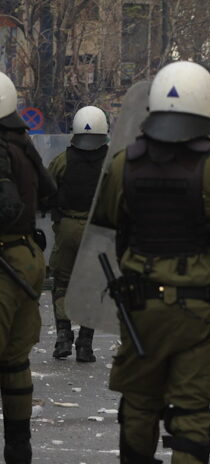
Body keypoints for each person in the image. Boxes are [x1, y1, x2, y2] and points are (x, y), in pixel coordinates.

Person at [91, 61, 210, 463]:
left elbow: (107, 219)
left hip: (139, 306)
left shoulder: (125, 164)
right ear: (208, 108)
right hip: (196, 310)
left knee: (139, 405)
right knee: (191, 412)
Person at [0, 72, 57, 463]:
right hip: (26, 256)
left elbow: (5, 208)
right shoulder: (21, 142)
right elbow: (51, 194)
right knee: (15, 360)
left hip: (4, 259)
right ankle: (19, 450)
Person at [47, 105, 110, 362]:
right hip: (97, 231)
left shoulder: (62, 160)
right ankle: (85, 344)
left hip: (68, 228)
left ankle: (63, 335)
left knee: (61, 282)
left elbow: (47, 189)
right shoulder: (111, 162)